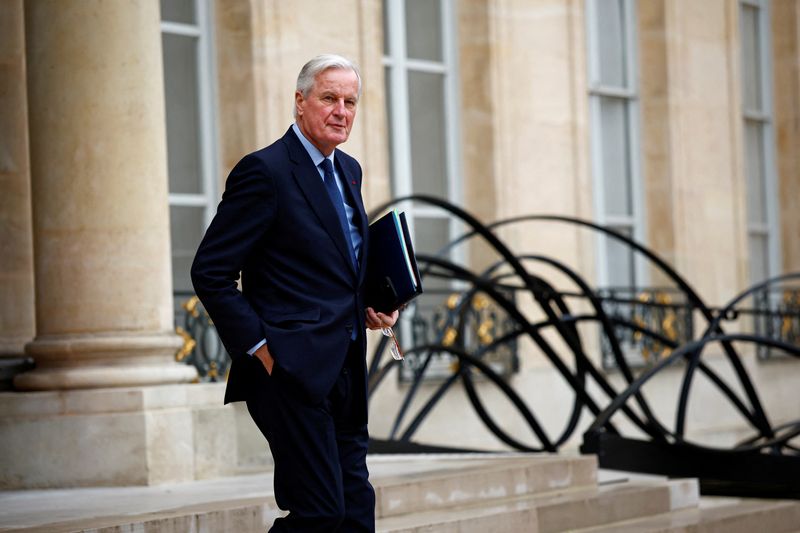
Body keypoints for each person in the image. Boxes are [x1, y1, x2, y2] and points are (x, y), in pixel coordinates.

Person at [191, 54, 398, 532]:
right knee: (318, 513)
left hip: (345, 364)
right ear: (300, 102)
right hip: (287, 368)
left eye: (350, 102)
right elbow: (211, 271)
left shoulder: (349, 170)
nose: (341, 111)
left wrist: (369, 302)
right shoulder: (264, 172)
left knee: (354, 510)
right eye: (329, 98)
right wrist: (261, 350)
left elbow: (334, 268)